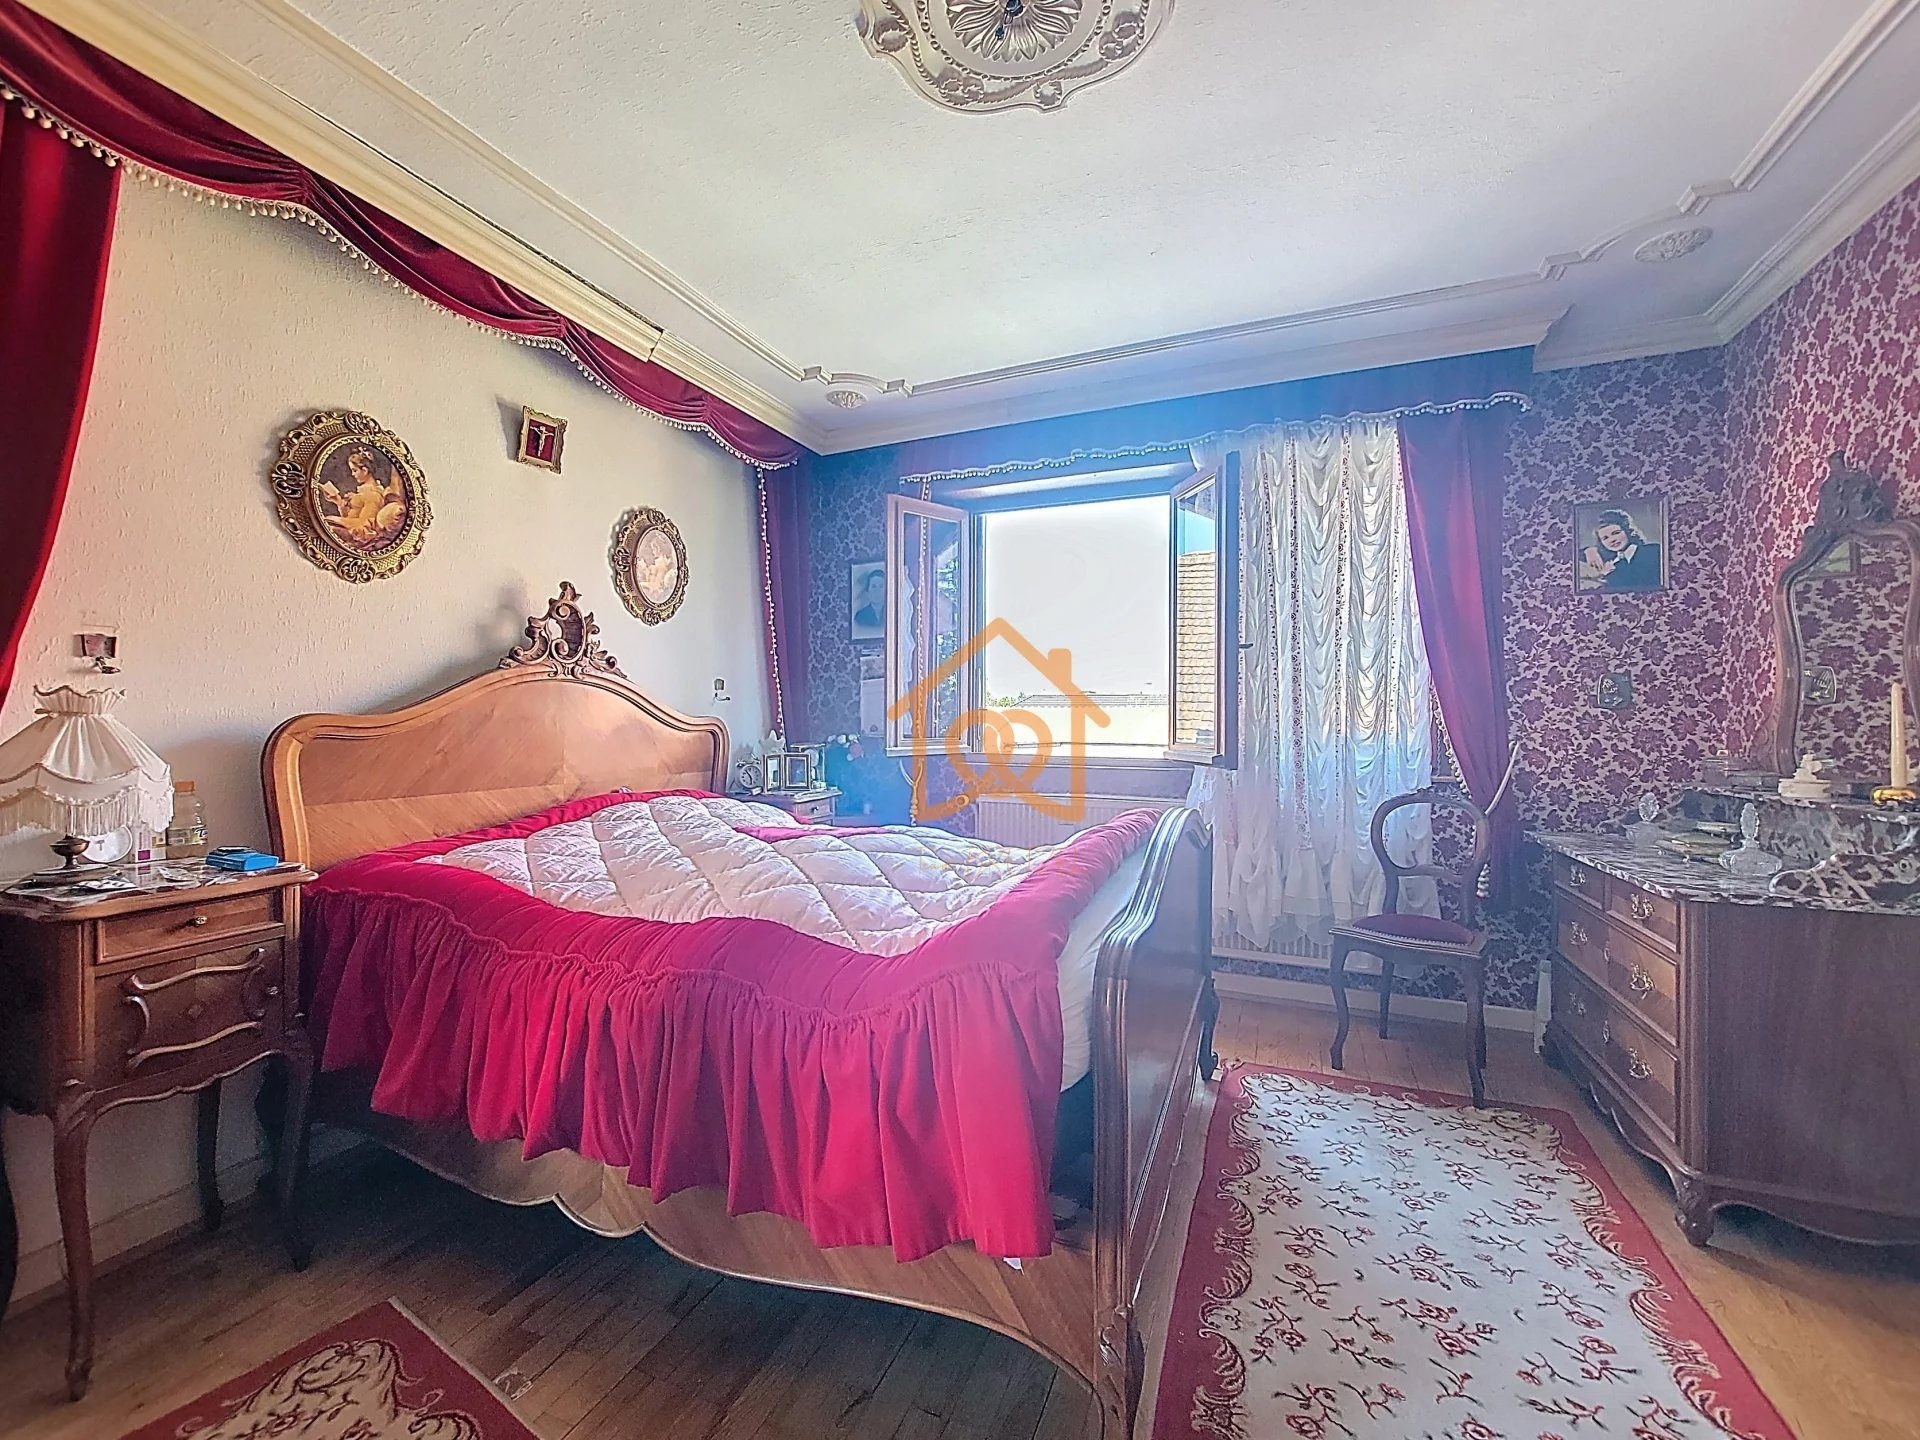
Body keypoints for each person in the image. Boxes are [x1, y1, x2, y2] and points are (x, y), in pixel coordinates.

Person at [1580, 509, 1663, 591]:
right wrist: (1590, 551)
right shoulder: (1611, 564)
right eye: (1605, 538)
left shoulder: (1653, 550)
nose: (1612, 540)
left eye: (1616, 533)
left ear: (1628, 531)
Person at [854, 567, 887, 633]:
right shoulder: (860, 616)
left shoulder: (892, 613)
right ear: (868, 591)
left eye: (881, 586)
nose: (877, 591)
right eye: (873, 586)